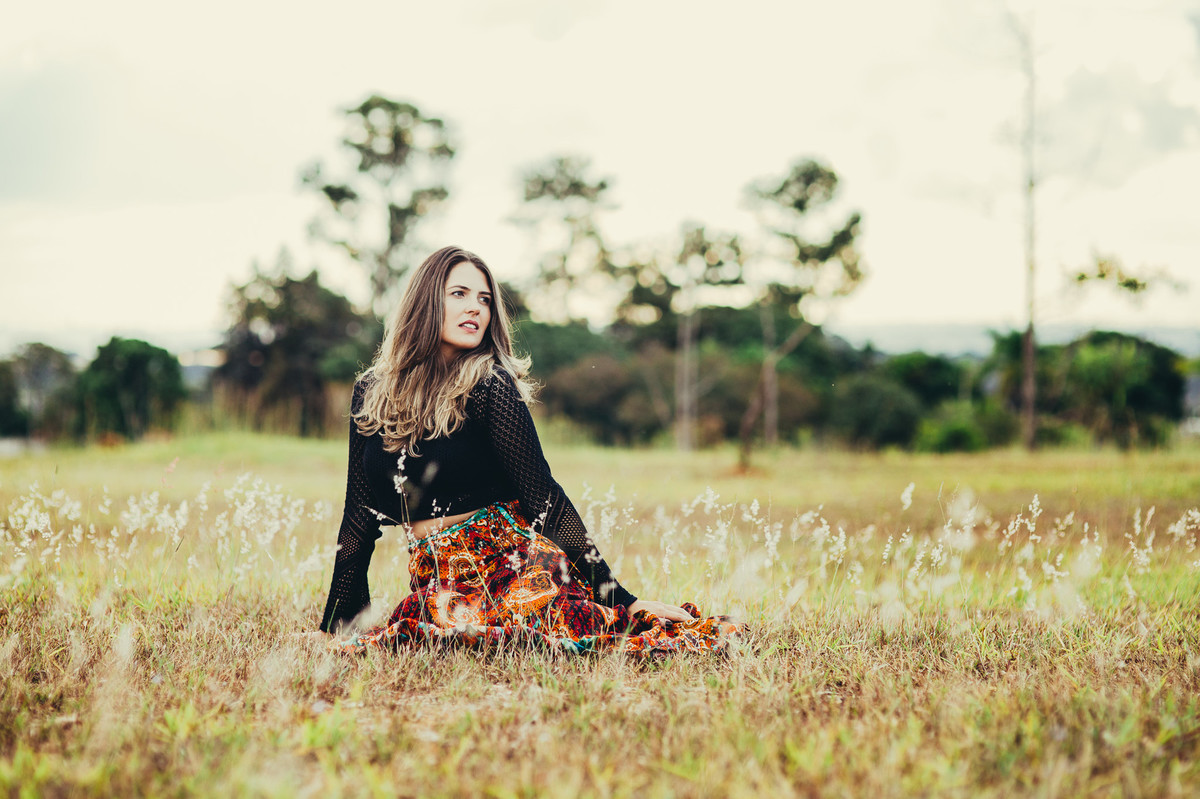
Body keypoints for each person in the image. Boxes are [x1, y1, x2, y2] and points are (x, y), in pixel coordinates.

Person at [315, 246, 737, 655]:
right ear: (425, 302)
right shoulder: (371, 392)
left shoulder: (490, 386)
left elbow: (544, 499)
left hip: (513, 564)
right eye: (459, 294)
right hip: (438, 580)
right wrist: (340, 622)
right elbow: (358, 518)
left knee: (524, 632)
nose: (476, 308)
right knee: (429, 626)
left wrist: (620, 599)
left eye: (484, 299)